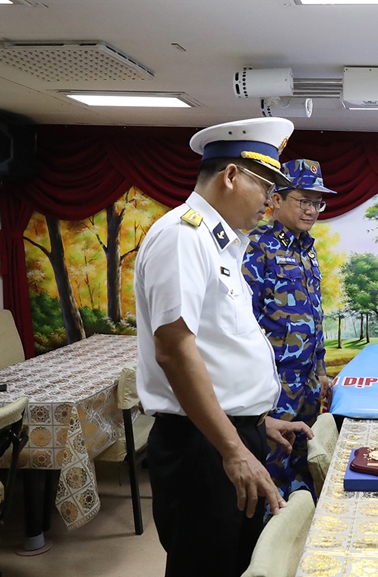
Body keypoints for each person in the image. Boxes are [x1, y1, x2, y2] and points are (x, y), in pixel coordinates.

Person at [135, 118, 314, 577]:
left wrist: (255, 419)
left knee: (236, 561)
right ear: (231, 176)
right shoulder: (183, 236)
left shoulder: (221, 245)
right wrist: (233, 448)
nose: (270, 202)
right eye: (265, 187)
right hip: (204, 446)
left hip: (224, 433)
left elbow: (218, 348)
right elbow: (174, 350)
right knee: (206, 563)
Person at [242, 159, 335, 501]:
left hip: (307, 382)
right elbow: (245, 321)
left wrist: (321, 370)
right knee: (272, 466)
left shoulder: (308, 249)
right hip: (274, 383)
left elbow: (315, 316)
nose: (311, 210)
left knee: (303, 464)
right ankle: (272, 529)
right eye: (304, 200)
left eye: (317, 203)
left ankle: (300, 524)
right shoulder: (257, 246)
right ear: (276, 199)